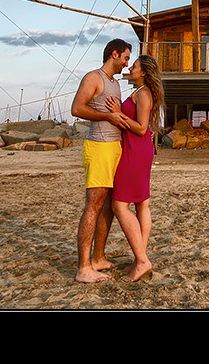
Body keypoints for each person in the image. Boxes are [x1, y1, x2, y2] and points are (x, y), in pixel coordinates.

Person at [70, 38, 132, 283]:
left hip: (115, 148)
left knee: (109, 207)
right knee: (93, 205)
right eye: (125, 58)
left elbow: (118, 115)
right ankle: (83, 268)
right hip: (99, 147)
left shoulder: (115, 84)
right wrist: (109, 116)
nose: (127, 64)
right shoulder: (93, 78)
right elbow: (77, 109)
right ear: (114, 54)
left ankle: (98, 258)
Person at [105, 54, 164, 282]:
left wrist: (117, 114)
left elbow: (140, 128)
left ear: (144, 73)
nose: (131, 67)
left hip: (136, 151)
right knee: (141, 204)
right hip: (137, 150)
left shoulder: (145, 94)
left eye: (135, 65)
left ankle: (141, 260)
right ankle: (139, 259)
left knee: (120, 205)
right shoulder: (139, 92)